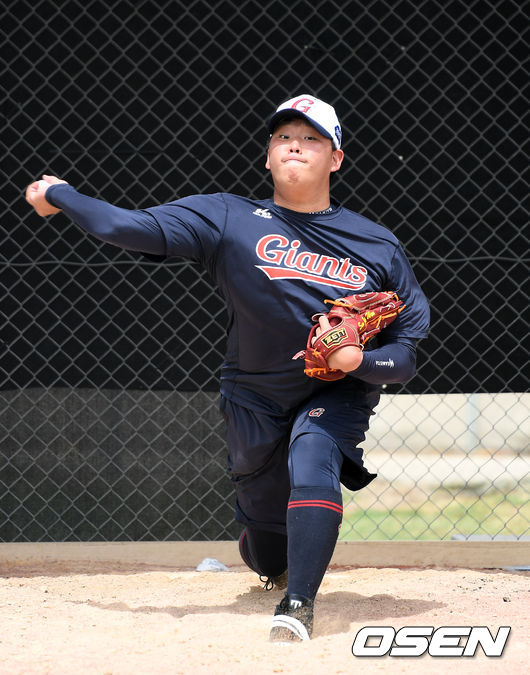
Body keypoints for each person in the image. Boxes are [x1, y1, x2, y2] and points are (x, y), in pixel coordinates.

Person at [26, 94, 430, 643]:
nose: (295, 145)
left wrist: (361, 360)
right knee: (266, 544)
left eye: (312, 138)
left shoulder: (376, 244)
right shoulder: (227, 215)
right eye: (284, 137)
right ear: (267, 156)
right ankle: (273, 561)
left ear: (336, 158)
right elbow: (125, 226)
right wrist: (58, 192)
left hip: (336, 391)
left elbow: (405, 353)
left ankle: (298, 606)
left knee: (315, 455)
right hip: (254, 397)